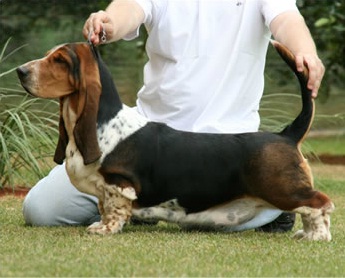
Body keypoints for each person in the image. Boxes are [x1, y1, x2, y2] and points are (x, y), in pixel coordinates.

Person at [23, 0, 325, 231]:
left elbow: (287, 20)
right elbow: (129, 9)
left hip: (228, 153)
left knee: (204, 222)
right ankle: (138, 205)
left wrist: (305, 52)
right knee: (41, 210)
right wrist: (109, 21)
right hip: (143, 146)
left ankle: (273, 202)